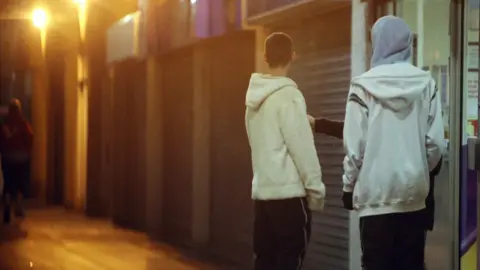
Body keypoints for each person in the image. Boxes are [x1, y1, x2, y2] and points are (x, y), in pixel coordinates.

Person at [340, 16, 445, 270]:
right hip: (413, 199)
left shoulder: (361, 87)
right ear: (407, 43)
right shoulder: (426, 84)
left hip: (374, 201)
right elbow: (435, 145)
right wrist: (420, 170)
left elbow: (355, 147)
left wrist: (348, 186)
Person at [245, 32, 326, 270]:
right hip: (289, 198)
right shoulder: (289, 96)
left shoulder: (252, 102)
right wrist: (316, 190)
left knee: (264, 261)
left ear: (265, 57)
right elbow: (302, 148)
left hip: (263, 197)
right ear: (293, 56)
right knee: (290, 261)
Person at [0, 99, 33, 224]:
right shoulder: (23, 124)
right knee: (21, 182)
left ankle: (7, 202)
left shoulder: (5, 126)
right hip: (21, 158)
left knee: (8, 182)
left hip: (8, 158)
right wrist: (28, 151)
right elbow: (30, 137)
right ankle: (18, 207)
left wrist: (4, 151)